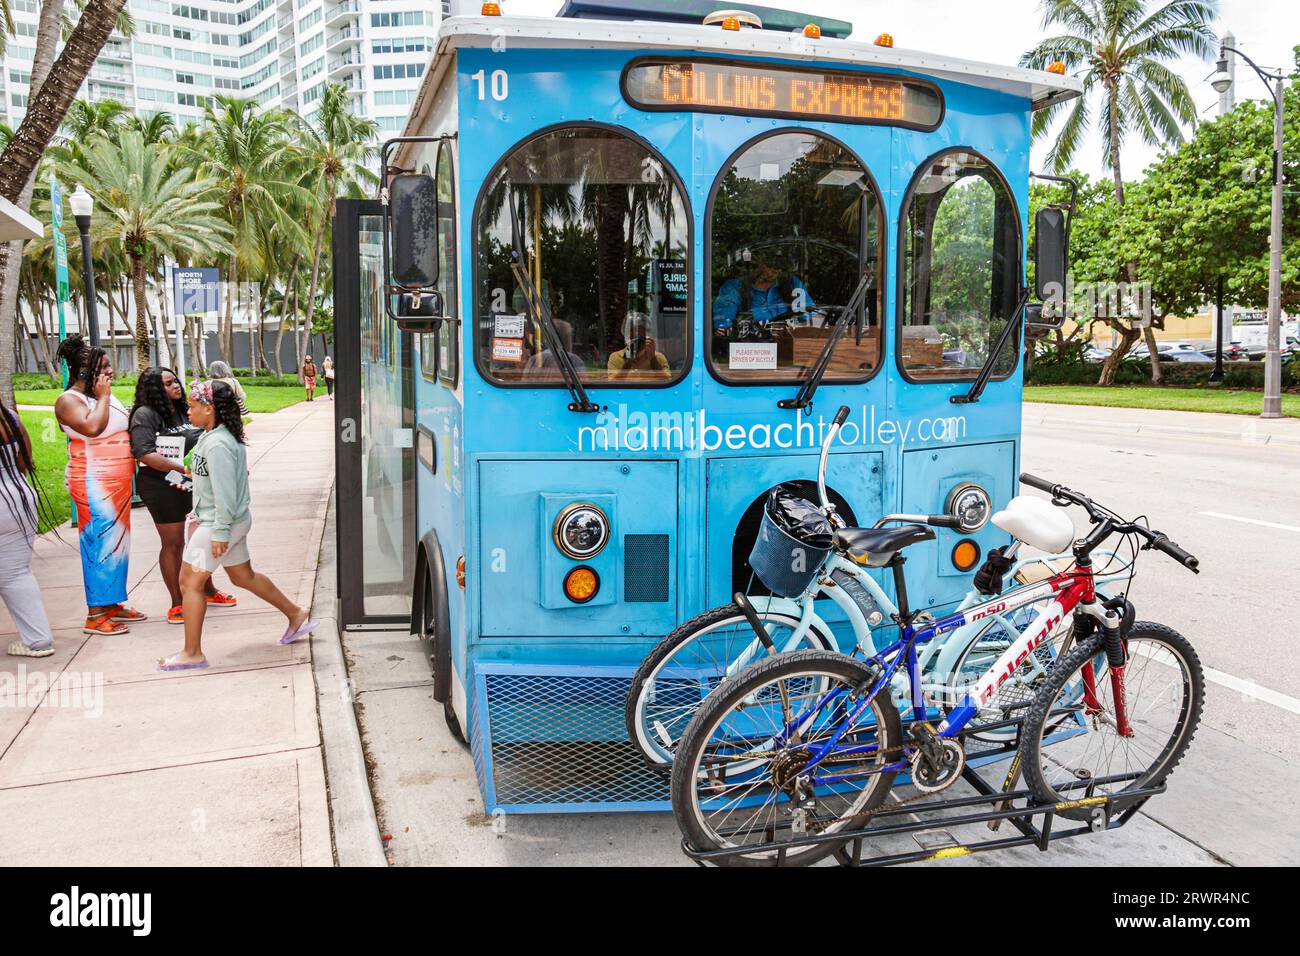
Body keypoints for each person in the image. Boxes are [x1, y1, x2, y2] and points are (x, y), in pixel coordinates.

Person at [159, 380, 316, 671]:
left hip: (220, 523)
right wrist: (193, 480)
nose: (188, 412)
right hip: (231, 521)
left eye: (192, 408)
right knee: (243, 576)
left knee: (189, 583)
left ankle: (191, 652)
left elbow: (226, 496)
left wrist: (219, 533)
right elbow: (211, 478)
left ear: (209, 409)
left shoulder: (218, 444)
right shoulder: (213, 437)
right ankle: (295, 613)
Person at [54, 335, 147, 636]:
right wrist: (105, 396)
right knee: (98, 544)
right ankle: (95, 614)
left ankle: (111, 602)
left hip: (118, 483)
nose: (109, 372)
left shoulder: (100, 395)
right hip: (94, 483)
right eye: (103, 367)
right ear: (84, 370)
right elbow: (92, 427)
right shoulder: (70, 401)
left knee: (117, 545)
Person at [129, 367, 235, 625]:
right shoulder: (146, 414)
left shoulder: (184, 409)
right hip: (161, 486)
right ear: (154, 389)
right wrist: (181, 469)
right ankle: (178, 602)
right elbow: (144, 453)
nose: (175, 385)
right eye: (167, 383)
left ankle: (207, 591)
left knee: (200, 539)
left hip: (194, 483)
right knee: (174, 544)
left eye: (174, 380)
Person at [0, 399, 56, 658]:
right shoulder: (8, 417)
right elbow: (25, 461)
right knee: (16, 574)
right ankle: (38, 639)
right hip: (20, 498)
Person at [712, 254, 816, 331]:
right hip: (749, 350)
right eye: (771, 263)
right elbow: (723, 326)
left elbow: (812, 319)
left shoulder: (792, 284)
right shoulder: (734, 288)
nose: (776, 270)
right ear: (758, 262)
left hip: (786, 346)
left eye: (779, 265)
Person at [607, 313, 670, 380]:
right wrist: (628, 361)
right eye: (634, 339)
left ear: (647, 337)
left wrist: (653, 360)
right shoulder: (616, 357)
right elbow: (613, 384)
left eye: (641, 338)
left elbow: (667, 382)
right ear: (627, 338)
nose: (637, 343)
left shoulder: (659, 357)